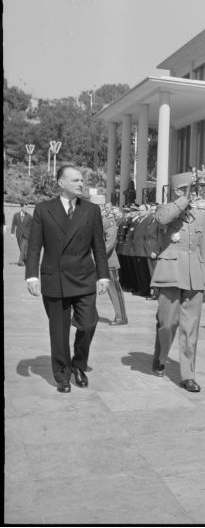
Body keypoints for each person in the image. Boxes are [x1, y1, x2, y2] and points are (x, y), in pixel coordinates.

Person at [25, 164, 109, 393]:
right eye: (75, 180)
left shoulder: (91, 210)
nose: (81, 184)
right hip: (55, 278)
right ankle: (62, 374)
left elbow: (99, 246)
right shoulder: (44, 209)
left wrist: (103, 276)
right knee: (59, 331)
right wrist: (31, 275)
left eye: (82, 180)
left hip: (84, 277)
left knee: (89, 322)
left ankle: (79, 364)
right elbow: (34, 246)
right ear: (61, 183)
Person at [150, 172, 205, 393]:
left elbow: (204, 250)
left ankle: (188, 375)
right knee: (167, 323)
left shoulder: (200, 216)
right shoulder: (164, 210)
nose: (192, 192)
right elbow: (162, 220)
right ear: (177, 190)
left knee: (190, 328)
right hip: (170, 273)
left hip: (194, 276)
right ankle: (161, 356)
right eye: (188, 188)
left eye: (192, 189)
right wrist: (181, 200)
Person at [102, 204, 128, 325]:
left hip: (107, 260)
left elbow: (110, 242)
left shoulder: (108, 221)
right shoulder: (95, 220)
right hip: (92, 260)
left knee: (114, 290)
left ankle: (121, 316)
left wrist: (97, 256)